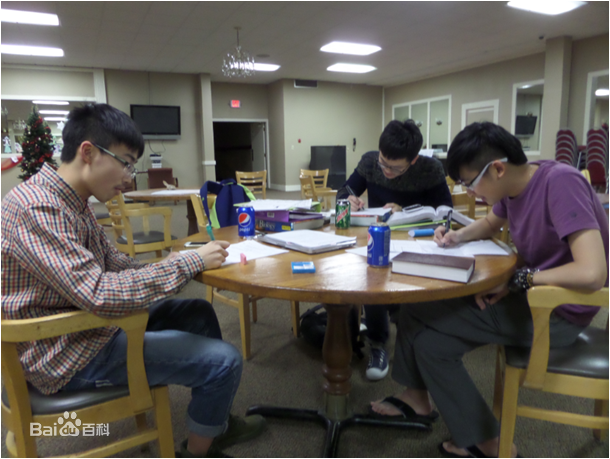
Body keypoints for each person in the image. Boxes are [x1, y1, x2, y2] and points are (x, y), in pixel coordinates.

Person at [1, 103, 265, 458]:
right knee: (225, 361)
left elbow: (115, 264)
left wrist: (171, 262)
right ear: (88, 153)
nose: (129, 177)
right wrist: (186, 263)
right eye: (126, 162)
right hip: (65, 355)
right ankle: (197, 451)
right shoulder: (39, 208)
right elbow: (99, 293)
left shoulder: (73, 200)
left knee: (198, 313)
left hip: (88, 327)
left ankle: (216, 420)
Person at [370, 122, 609, 458]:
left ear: (497, 168)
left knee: (427, 332)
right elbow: (489, 223)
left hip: (558, 311)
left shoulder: (561, 183)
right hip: (532, 293)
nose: (469, 193)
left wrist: (520, 281)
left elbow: (592, 272)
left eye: (470, 183)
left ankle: (487, 441)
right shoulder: (515, 186)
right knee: (419, 314)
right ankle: (421, 400)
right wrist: (456, 236)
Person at [336, 119, 452, 381]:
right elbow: (345, 190)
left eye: (395, 167)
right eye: (383, 163)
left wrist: (406, 210)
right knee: (372, 274)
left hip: (416, 240)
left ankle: (410, 339)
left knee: (409, 288)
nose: (386, 170)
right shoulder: (369, 162)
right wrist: (348, 199)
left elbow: (445, 210)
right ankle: (378, 344)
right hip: (378, 236)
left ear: (413, 160)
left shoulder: (430, 169)